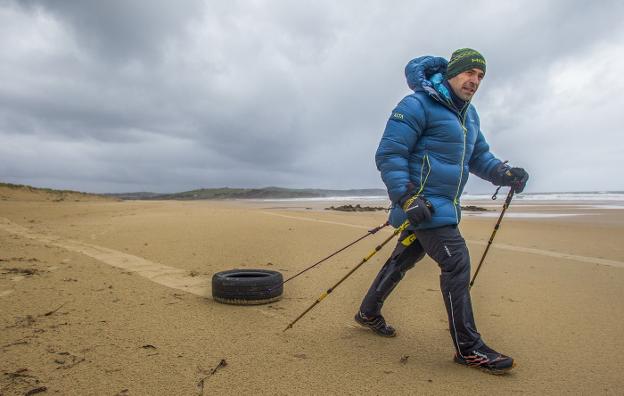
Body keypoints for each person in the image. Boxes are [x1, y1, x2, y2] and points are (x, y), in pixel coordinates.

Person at [354, 48, 529, 374]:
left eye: (480, 76)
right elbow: (390, 154)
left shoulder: (469, 115)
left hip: (440, 208)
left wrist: (505, 175)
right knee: (456, 262)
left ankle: (367, 312)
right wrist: (407, 198)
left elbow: (479, 158)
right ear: (452, 72)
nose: (475, 81)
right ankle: (469, 348)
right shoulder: (417, 104)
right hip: (423, 204)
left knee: (403, 258)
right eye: (469, 73)